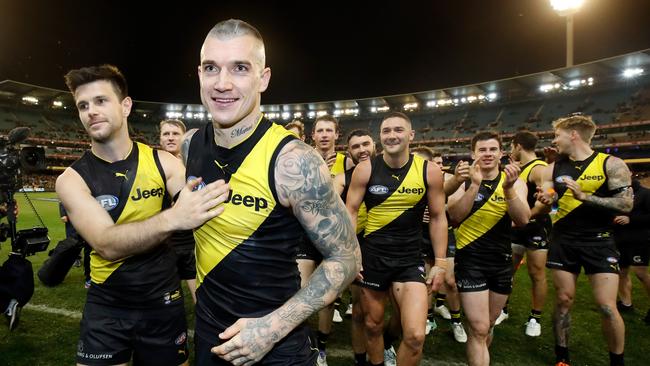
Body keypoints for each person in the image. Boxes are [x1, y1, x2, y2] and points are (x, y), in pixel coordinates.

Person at [182, 19, 360, 366]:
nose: (222, 83)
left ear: (263, 78)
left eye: (240, 68)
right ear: (199, 74)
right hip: (209, 339)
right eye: (211, 68)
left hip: (277, 347)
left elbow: (347, 258)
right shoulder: (190, 145)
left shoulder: (294, 162)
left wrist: (270, 329)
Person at [57, 64, 230, 366]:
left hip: (162, 302)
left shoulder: (164, 163)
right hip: (106, 305)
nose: (91, 112)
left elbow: (210, 208)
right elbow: (107, 244)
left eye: (101, 101)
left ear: (125, 106)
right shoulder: (71, 179)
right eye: (83, 105)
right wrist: (175, 217)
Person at [346, 112, 447, 366]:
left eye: (398, 130)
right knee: (372, 325)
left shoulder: (429, 171)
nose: (392, 135)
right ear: (380, 137)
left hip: (409, 261)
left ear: (411, 135)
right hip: (372, 259)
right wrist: (351, 254)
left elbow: (437, 218)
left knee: (414, 335)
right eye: (386, 131)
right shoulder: (366, 168)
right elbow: (350, 213)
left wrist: (441, 263)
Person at [537, 114, 632, 366]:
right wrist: (547, 198)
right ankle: (562, 356)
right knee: (563, 300)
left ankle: (617, 361)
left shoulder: (611, 164)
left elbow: (626, 203)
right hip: (563, 241)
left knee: (606, 306)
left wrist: (585, 196)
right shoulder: (552, 167)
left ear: (573, 135)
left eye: (557, 135)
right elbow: (548, 191)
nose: (554, 140)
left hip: (599, 242)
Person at [447, 131, 530, 366]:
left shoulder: (515, 183)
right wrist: (474, 185)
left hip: (502, 263)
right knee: (479, 328)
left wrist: (509, 189)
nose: (487, 154)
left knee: (488, 326)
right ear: (473, 153)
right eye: (482, 150)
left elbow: (523, 220)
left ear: (501, 153)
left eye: (492, 149)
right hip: (470, 261)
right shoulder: (463, 181)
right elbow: (454, 217)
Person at [413, 148, 469, 344]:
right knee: (427, 281)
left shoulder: (445, 179)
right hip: (419, 235)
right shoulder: (410, 179)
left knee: (450, 280)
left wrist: (440, 208)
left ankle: (456, 321)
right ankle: (428, 318)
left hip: (443, 233)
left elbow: (450, 201)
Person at [334, 129, 376, 366]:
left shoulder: (392, 172)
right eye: (355, 146)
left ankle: (387, 342)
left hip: (389, 248)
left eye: (365, 144)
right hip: (357, 244)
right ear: (348, 151)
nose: (362, 150)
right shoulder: (344, 178)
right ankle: (362, 359)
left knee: (398, 315)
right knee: (361, 310)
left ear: (374, 144)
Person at [505, 130, 552, 337]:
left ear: (517, 145)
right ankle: (502, 309)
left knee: (536, 273)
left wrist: (524, 216)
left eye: (510, 146)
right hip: (517, 229)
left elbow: (546, 201)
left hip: (535, 227)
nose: (509, 151)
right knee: (507, 271)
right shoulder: (520, 168)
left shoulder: (538, 168)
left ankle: (535, 317)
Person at [159, 119, 198, 303]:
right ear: (160, 139)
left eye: (175, 133)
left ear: (183, 138)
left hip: (192, 240)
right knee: (167, 299)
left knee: (200, 295)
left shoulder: (195, 164)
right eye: (166, 134)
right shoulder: (151, 166)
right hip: (164, 242)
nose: (170, 138)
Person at [613, 177, 650, 323]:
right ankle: (626, 303)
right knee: (621, 273)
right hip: (619, 240)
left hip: (638, 241)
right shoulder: (615, 194)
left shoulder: (645, 194)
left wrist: (631, 220)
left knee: (641, 274)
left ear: (631, 174)